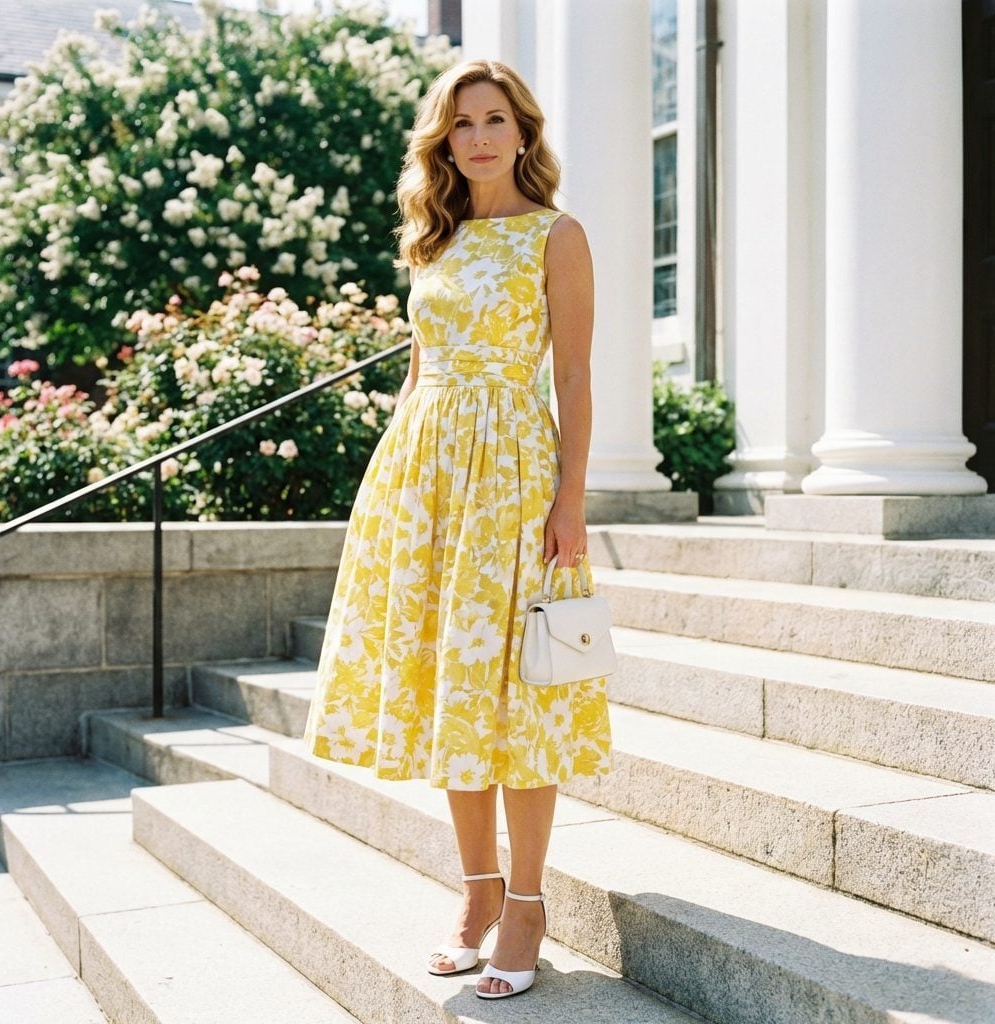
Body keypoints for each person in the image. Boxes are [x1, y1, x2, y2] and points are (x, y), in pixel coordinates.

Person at [303, 58, 612, 1000]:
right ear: (444, 142)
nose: (477, 137)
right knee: (453, 686)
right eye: (459, 124)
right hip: (424, 476)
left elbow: (572, 380)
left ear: (523, 131)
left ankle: (526, 903)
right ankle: (475, 896)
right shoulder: (430, 243)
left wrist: (571, 502)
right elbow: (416, 373)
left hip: (513, 477)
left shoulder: (557, 237)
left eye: (493, 119)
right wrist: (387, 491)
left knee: (518, 698)